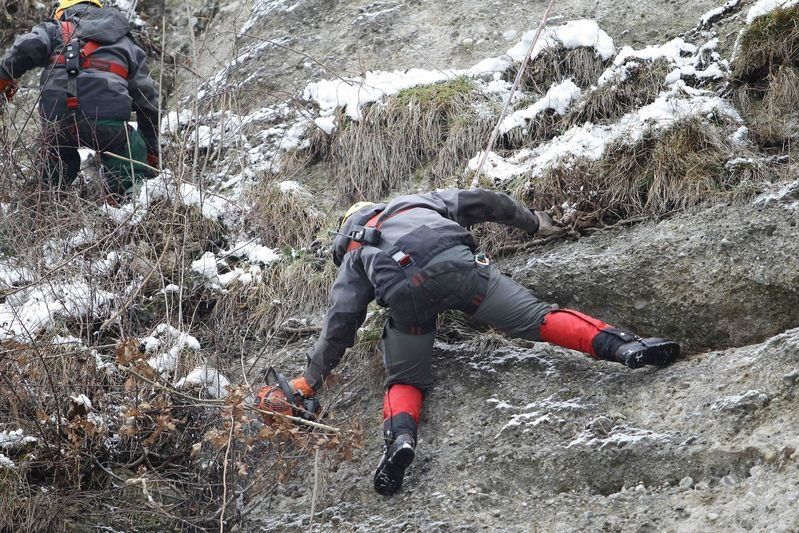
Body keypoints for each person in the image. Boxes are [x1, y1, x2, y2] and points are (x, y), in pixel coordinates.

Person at [262, 189, 680, 496]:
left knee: (405, 378)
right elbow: (486, 201)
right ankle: (626, 348)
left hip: (408, 299)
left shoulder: (355, 251)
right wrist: (535, 223)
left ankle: (401, 441)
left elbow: (340, 322)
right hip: (464, 273)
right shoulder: (415, 203)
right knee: (539, 318)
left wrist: (310, 380)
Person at [0, 0, 160, 198]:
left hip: (58, 121)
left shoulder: (56, 29)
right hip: (107, 120)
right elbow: (147, 98)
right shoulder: (126, 42)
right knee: (128, 150)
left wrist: (4, 76)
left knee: (56, 160)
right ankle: (128, 202)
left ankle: (42, 203)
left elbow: (27, 46)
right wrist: (150, 146)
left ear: (62, 12)